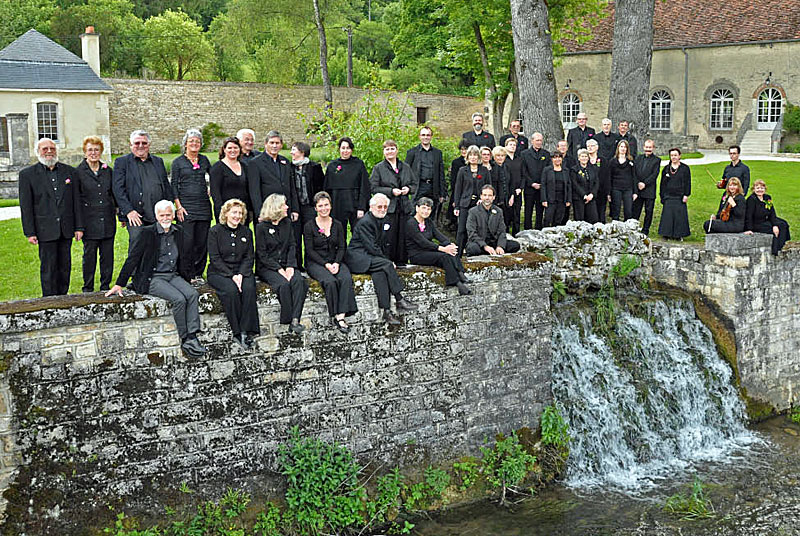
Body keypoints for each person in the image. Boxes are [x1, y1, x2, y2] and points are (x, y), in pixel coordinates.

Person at [105, 200, 206, 358]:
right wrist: (119, 284)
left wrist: (189, 277)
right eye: (162, 215)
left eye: (168, 214)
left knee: (192, 294)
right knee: (179, 299)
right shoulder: (147, 233)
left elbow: (186, 257)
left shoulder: (178, 232)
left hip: (172, 275)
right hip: (153, 277)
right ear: (156, 216)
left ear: (173, 215)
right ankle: (185, 338)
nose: (165, 218)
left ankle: (193, 335)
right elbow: (133, 258)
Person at [19, 138, 83, 296]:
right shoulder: (27, 175)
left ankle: (63, 297)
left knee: (65, 266)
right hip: (44, 229)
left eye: (52, 148)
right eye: (45, 149)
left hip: (66, 229)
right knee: (48, 267)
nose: (49, 151)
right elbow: (26, 206)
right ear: (38, 152)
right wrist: (30, 232)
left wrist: (79, 227)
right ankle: (49, 300)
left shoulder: (70, 172)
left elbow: (76, 202)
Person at [347, 193, 418, 326]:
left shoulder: (383, 220)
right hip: (358, 258)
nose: (382, 209)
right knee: (386, 265)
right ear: (371, 207)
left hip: (370, 256)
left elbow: (384, 244)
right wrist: (388, 261)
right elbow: (372, 247)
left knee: (380, 274)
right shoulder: (365, 222)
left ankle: (386, 311)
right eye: (379, 206)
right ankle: (399, 299)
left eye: (385, 207)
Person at [207, 198, 259, 349]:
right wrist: (231, 276)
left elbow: (249, 256)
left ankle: (247, 331)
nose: (237, 216)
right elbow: (215, 258)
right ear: (226, 213)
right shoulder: (215, 231)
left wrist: (241, 274)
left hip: (242, 271)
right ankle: (237, 332)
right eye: (234, 212)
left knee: (249, 289)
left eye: (240, 213)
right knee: (231, 291)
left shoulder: (246, 232)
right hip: (219, 272)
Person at [112, 130, 176, 253]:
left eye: (144, 143)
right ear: (131, 145)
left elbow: (165, 185)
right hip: (135, 214)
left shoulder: (158, 161)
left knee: (158, 243)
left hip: (157, 213)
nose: (140, 146)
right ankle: (136, 272)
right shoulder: (122, 162)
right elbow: (118, 189)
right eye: (137, 143)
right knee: (137, 243)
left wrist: (169, 209)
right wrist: (129, 211)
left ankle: (156, 271)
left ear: (149, 145)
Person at [304, 191, 357, 333]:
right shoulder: (309, 226)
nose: (324, 208)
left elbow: (342, 246)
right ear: (315, 208)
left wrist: (337, 263)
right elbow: (310, 250)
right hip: (316, 262)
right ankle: (335, 314)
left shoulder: (338, 225)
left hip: (335, 260)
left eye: (326, 205)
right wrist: (325, 264)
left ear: (331, 206)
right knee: (330, 282)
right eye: (320, 206)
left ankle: (341, 316)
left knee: (345, 278)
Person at [256, 194, 308, 334]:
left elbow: (292, 245)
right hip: (268, 267)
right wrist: (279, 269)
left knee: (299, 281)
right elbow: (262, 254)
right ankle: (288, 318)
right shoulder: (261, 227)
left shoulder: (287, 223)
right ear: (276, 207)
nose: (287, 207)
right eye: (284, 205)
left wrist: (290, 266)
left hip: (287, 263)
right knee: (283, 285)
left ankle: (295, 320)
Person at [172, 128, 212, 284]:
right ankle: (185, 274)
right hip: (186, 208)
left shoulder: (204, 160)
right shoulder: (178, 162)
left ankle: (198, 274)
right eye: (191, 141)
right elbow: (173, 185)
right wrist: (178, 207)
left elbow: (213, 177)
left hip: (203, 206)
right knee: (186, 243)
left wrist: (211, 188)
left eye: (197, 141)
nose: (194, 143)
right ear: (185, 144)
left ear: (201, 144)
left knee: (202, 243)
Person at [406, 197, 471, 295]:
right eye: (423, 208)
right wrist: (443, 249)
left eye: (428, 209)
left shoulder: (428, 222)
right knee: (444, 256)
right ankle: (457, 282)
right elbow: (423, 242)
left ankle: (460, 272)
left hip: (428, 251)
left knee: (450, 247)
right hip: (417, 254)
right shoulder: (411, 223)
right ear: (417, 208)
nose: (426, 211)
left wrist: (449, 244)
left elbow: (439, 235)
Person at [76, 135, 115, 292]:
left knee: (107, 257)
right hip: (89, 222)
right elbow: (76, 200)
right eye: (90, 150)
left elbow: (113, 194)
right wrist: (78, 226)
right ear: (85, 152)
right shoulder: (77, 172)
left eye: (96, 150)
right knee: (89, 257)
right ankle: (88, 287)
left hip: (107, 220)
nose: (93, 153)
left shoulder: (108, 171)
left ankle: (105, 286)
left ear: (101, 152)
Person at [369, 139, 418, 265]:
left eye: (392, 148)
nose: (390, 151)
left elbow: (415, 184)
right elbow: (373, 188)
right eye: (387, 149)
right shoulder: (379, 168)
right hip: (388, 209)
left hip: (404, 208)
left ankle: (402, 262)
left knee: (403, 236)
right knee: (388, 237)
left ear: (397, 150)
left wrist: (408, 189)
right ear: (384, 152)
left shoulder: (405, 167)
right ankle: (387, 262)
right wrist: (391, 191)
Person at [249, 130, 299, 229]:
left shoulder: (285, 161)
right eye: (272, 143)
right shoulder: (255, 163)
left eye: (277, 143)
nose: (274, 146)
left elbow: (291, 187)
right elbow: (254, 191)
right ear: (265, 144)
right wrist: (260, 213)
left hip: (284, 210)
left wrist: (295, 209)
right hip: (267, 211)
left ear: (281, 145)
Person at [323, 136, 370, 234]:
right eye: (343, 148)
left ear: (351, 150)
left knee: (358, 233)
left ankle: (356, 250)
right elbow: (327, 189)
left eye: (348, 148)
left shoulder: (359, 164)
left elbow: (364, 187)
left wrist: (362, 207)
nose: (345, 151)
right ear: (339, 149)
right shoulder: (332, 166)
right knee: (339, 233)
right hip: (337, 204)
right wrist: (328, 207)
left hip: (355, 204)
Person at [290, 141, 325, 268]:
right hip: (296, 208)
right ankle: (297, 265)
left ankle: (312, 264)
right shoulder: (289, 168)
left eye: (294, 150)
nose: (291, 152)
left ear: (302, 152)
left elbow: (321, 187)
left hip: (310, 207)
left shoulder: (314, 167)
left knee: (311, 236)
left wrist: (318, 205)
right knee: (295, 238)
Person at [453, 146, 490, 254]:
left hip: (479, 204)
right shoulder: (462, 170)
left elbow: (488, 187)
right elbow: (458, 189)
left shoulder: (484, 170)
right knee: (461, 230)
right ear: (467, 157)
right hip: (465, 203)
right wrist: (457, 206)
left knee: (478, 229)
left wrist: (482, 199)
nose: (473, 158)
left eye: (475, 155)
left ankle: (476, 251)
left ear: (478, 157)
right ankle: (457, 254)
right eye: (471, 155)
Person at [465, 185, 520, 256]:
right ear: (481, 196)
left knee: (515, 245)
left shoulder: (499, 211)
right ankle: (487, 251)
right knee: (472, 249)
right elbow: (471, 233)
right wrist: (485, 246)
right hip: (479, 243)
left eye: (490, 195)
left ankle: (495, 250)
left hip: (494, 242)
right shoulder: (473, 212)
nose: (487, 198)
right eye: (485, 195)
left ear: (493, 197)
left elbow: (502, 231)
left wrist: (500, 246)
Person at [210, 136, 254, 224]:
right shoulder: (217, 168)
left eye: (235, 148)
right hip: (226, 213)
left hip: (242, 213)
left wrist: (250, 210)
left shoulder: (245, 166)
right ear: (224, 150)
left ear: (240, 149)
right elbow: (216, 194)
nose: (233, 150)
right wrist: (221, 214)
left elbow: (249, 190)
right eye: (229, 148)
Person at [406, 126, 445, 217]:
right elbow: (406, 172)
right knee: (415, 213)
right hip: (419, 187)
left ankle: (428, 231)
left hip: (433, 187)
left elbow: (441, 173)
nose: (426, 137)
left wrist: (442, 193)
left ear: (431, 137)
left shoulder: (437, 153)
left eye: (428, 135)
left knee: (431, 214)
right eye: (423, 135)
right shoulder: (412, 152)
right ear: (419, 137)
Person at [744, 179, 791, 255]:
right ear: (754, 189)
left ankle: (783, 245)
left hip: (766, 219)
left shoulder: (767, 198)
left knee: (783, 224)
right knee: (773, 229)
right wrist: (749, 229)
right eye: (758, 188)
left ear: (765, 189)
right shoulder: (751, 199)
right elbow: (748, 215)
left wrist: (774, 224)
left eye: (762, 188)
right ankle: (776, 249)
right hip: (756, 223)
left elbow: (772, 212)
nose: (760, 190)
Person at [658, 148, 691, 240]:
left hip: (680, 196)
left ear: (679, 156)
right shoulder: (666, 169)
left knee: (679, 216)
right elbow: (662, 184)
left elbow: (688, 182)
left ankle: (678, 235)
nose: (673, 157)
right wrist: (662, 196)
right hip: (668, 196)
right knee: (667, 216)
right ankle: (666, 234)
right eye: (672, 155)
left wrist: (686, 194)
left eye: (675, 155)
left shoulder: (685, 168)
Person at [520, 132, 550, 230]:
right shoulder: (524, 154)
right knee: (528, 210)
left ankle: (538, 230)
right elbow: (523, 171)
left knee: (540, 211)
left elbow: (547, 170)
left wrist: (542, 184)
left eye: (540, 140)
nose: (539, 142)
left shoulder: (546, 154)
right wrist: (532, 183)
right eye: (537, 140)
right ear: (532, 141)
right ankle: (527, 230)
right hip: (530, 187)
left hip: (542, 187)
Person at [632, 139, 660, 235]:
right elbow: (634, 173)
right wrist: (638, 183)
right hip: (638, 189)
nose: (648, 149)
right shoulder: (638, 158)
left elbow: (654, 175)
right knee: (636, 210)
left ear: (653, 148)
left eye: (650, 147)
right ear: (643, 147)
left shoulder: (657, 160)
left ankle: (645, 230)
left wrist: (644, 183)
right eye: (646, 147)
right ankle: (634, 228)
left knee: (648, 211)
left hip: (649, 189)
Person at [608, 139, 637, 221]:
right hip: (616, 189)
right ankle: (615, 229)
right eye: (621, 146)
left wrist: (635, 192)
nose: (623, 148)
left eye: (625, 147)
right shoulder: (612, 161)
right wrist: (609, 193)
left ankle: (627, 230)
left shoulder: (631, 162)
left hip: (628, 189)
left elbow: (634, 177)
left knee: (628, 211)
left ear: (627, 149)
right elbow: (609, 178)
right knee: (615, 211)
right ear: (618, 148)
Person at [541, 153, 571, 228]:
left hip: (562, 199)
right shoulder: (547, 170)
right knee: (548, 219)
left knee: (559, 219)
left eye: (559, 157)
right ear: (552, 159)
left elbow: (568, 186)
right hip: (550, 199)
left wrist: (568, 200)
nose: (557, 159)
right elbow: (543, 185)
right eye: (555, 158)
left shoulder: (566, 170)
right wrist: (544, 199)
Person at [570, 149, 598, 223]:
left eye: (586, 156)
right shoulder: (574, 169)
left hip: (591, 197)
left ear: (588, 158)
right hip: (579, 198)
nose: (584, 158)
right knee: (580, 220)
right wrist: (584, 195)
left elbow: (596, 182)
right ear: (579, 158)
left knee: (593, 219)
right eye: (582, 156)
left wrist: (592, 194)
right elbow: (574, 184)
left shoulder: (593, 168)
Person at [502, 138, 524, 234]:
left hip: (518, 191)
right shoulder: (503, 160)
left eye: (514, 145)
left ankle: (517, 235)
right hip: (507, 191)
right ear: (506, 146)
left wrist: (520, 188)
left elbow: (524, 175)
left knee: (517, 215)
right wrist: (510, 193)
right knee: (506, 215)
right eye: (510, 144)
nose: (512, 147)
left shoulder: (519, 159)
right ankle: (506, 235)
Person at [447, 139, 470, 228]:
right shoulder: (456, 162)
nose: (464, 151)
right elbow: (453, 180)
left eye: (466, 149)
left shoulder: (473, 162)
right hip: (458, 191)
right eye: (462, 149)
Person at [586, 139, 610, 223]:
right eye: (588, 146)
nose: (590, 148)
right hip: (588, 191)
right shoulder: (585, 160)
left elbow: (607, 176)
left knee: (601, 213)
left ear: (597, 147)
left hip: (601, 191)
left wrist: (608, 192)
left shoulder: (603, 160)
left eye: (592, 146)